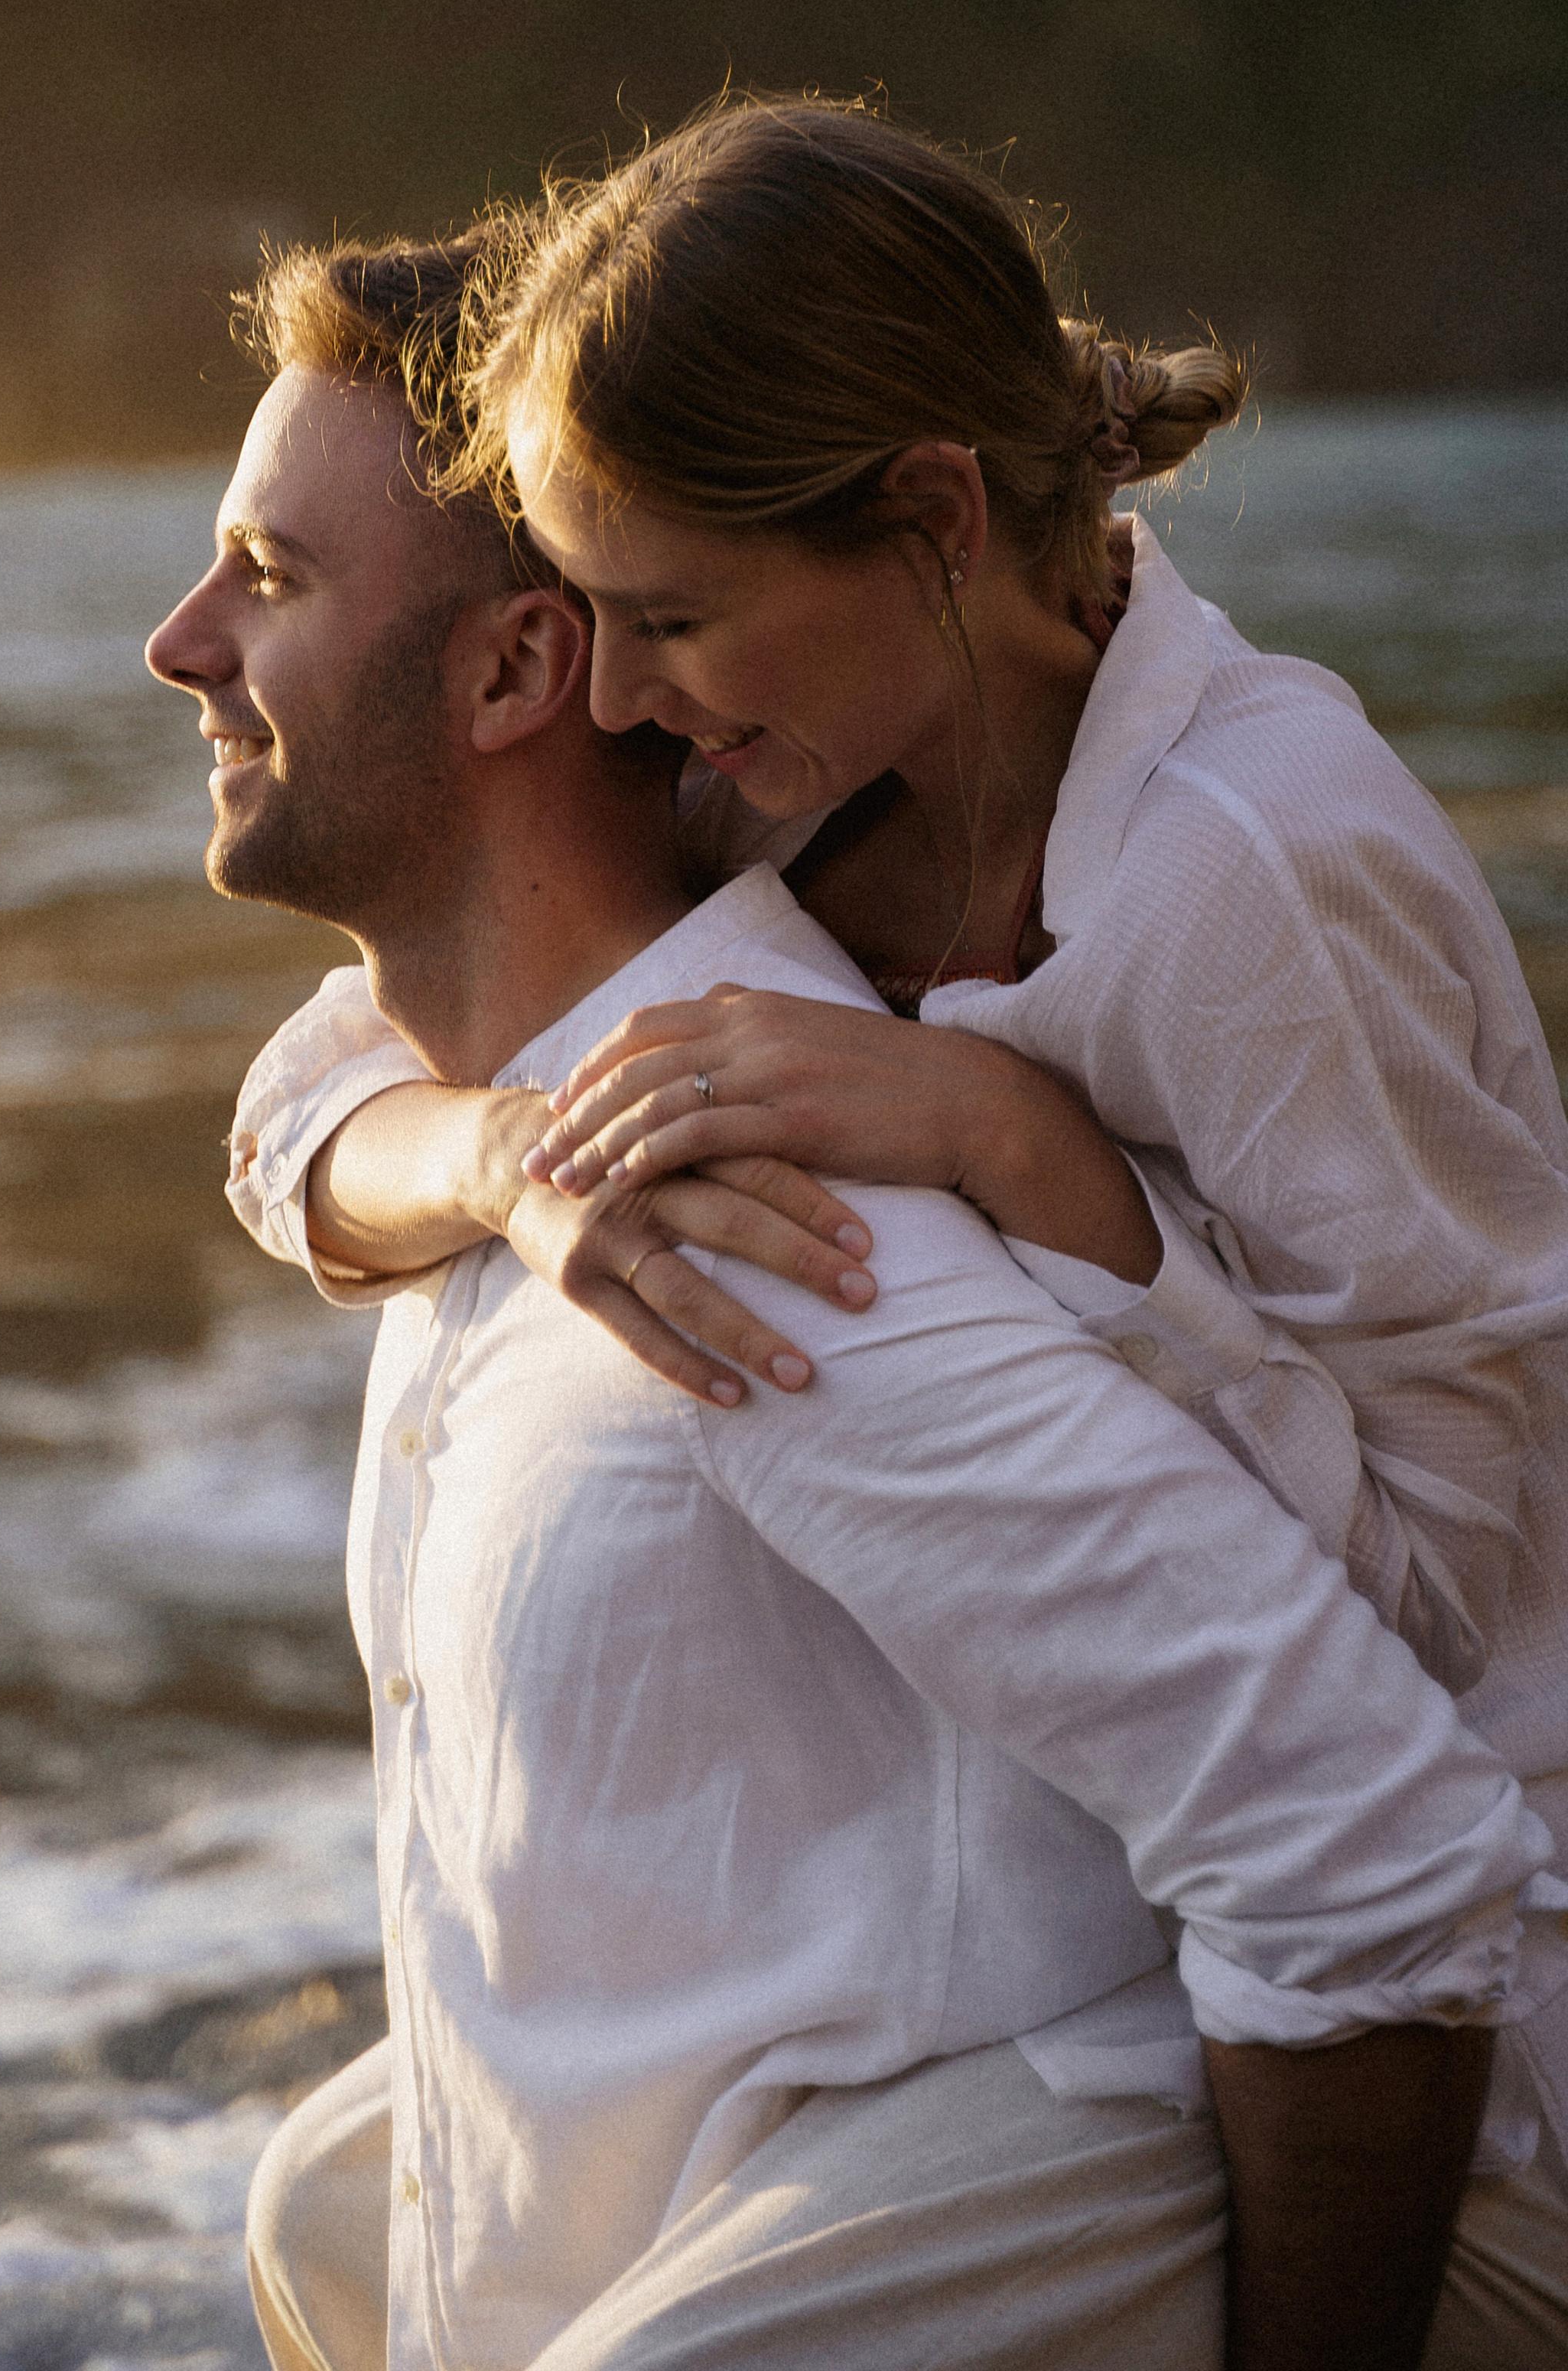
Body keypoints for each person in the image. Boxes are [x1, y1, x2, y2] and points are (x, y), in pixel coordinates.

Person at [145, 222, 1568, 2371]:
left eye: (269, 571)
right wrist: (501, 1159)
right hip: (1299, 1895)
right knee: (334, 2212)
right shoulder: (790, 796)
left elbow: (1430, 1678)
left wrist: (1025, 1153)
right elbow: (326, 1090)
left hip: (1491, 2005)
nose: (179, 642)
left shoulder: (1224, 878)